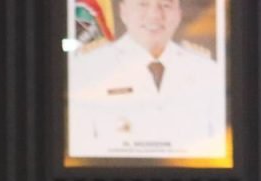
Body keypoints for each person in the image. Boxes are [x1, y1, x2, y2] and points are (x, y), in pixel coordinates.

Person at [68, 0, 227, 158]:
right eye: (143, 4)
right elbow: (81, 150)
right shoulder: (89, 70)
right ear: (124, 12)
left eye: (166, 5)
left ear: (179, 14)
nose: (155, 15)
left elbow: (218, 149)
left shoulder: (208, 72)